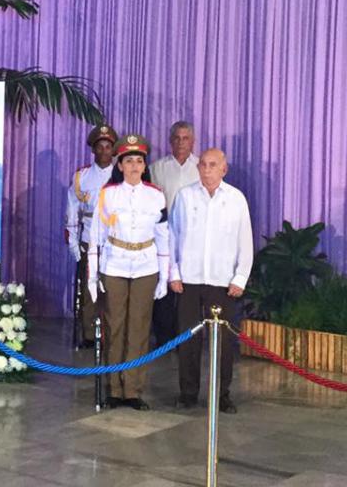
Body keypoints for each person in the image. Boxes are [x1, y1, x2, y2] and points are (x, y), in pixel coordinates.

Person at [87, 134, 169, 411]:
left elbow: (163, 236)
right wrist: (92, 276)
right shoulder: (108, 194)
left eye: (139, 161)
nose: (134, 166)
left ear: (145, 165)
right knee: (115, 326)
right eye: (129, 161)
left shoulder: (156, 195)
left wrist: (165, 275)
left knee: (139, 328)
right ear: (120, 165)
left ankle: (132, 389)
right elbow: (96, 237)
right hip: (115, 265)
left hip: (146, 265)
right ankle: (114, 388)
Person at [169, 148, 253, 414]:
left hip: (222, 282)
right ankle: (188, 393)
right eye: (203, 164)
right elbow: (172, 236)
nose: (206, 169)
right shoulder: (185, 196)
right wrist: (174, 272)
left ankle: (221, 395)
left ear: (223, 169)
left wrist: (240, 277)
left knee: (223, 343)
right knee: (188, 340)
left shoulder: (236, 199)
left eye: (213, 165)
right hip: (189, 280)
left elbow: (245, 241)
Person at [148, 121, 200, 345]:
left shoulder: (201, 167)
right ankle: (163, 339)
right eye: (177, 138)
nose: (181, 143)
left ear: (193, 141)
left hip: (192, 238)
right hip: (164, 237)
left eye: (185, 138)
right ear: (170, 141)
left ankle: (187, 338)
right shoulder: (156, 168)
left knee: (188, 290)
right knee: (164, 289)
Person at [65, 124, 117, 348]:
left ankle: (111, 333)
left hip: (115, 241)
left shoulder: (121, 174)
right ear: (93, 150)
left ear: (113, 150)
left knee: (113, 289)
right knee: (89, 289)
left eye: (108, 147)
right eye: (100, 147)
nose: (104, 151)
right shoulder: (82, 176)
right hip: (89, 240)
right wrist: (73, 243)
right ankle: (88, 334)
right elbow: (72, 210)